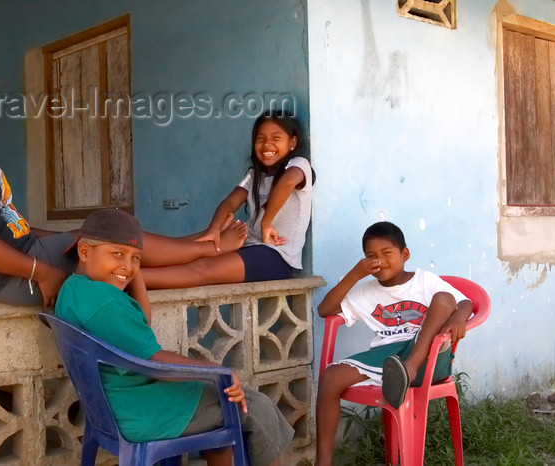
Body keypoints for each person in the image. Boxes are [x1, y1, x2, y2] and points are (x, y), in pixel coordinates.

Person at [0, 44, 247, 307]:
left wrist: (49, 238)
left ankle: (196, 243)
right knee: (113, 236)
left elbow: (1, 224)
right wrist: (42, 272)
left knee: (93, 230)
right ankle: (209, 249)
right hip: (6, 279)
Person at [55, 209, 294, 466]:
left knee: (216, 399)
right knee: (256, 406)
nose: (127, 265)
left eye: (136, 258)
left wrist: (135, 276)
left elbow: (142, 323)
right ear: (84, 251)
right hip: (141, 413)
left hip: (112, 407)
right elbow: (155, 362)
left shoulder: (76, 289)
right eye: (117, 254)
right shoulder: (106, 303)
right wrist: (218, 370)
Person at [314, 221, 473, 465]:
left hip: (428, 356)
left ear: (404, 254)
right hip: (388, 359)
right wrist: (356, 274)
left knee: (443, 298)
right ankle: (322, 463)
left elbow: (464, 303)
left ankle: (408, 369)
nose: (380, 261)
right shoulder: (366, 291)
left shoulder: (424, 281)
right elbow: (325, 309)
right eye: (371, 256)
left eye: (387, 253)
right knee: (329, 378)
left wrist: (460, 317)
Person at [139, 110, 313, 289]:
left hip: (278, 256)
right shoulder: (254, 175)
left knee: (202, 268)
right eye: (260, 138)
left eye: (276, 138)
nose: (267, 144)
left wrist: (266, 223)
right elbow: (230, 203)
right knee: (190, 245)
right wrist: (214, 229)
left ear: (292, 142)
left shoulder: (299, 164)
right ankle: (125, 267)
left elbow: (286, 183)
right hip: (247, 244)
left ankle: (132, 279)